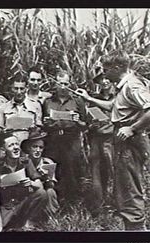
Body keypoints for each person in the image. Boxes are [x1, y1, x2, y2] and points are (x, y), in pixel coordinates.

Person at [75, 54, 150, 231]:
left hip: (129, 141)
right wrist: (89, 99)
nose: (104, 74)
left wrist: (132, 128)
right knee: (125, 186)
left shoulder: (132, 85)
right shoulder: (124, 87)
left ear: (117, 68)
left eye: (106, 69)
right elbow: (113, 107)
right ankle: (134, 229)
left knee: (129, 187)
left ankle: (137, 234)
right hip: (123, 140)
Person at [0, 133, 50, 231]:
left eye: (17, 144)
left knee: (41, 193)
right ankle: (10, 223)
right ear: (4, 150)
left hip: (22, 203)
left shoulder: (26, 162)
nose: (15, 148)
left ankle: (29, 224)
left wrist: (31, 183)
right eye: (11, 145)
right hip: (6, 207)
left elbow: (39, 185)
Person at [42, 71, 87, 204]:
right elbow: (43, 123)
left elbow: (85, 125)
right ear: (55, 84)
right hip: (53, 140)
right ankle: (55, 202)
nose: (62, 87)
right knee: (54, 170)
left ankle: (72, 203)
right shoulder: (48, 101)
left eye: (65, 84)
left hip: (71, 140)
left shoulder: (77, 101)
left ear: (70, 84)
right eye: (60, 83)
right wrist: (46, 123)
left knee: (71, 171)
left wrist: (77, 121)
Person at [85, 76, 115, 216]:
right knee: (96, 173)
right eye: (101, 79)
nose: (104, 81)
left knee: (115, 172)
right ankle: (99, 206)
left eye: (106, 78)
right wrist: (92, 124)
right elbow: (88, 122)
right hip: (96, 138)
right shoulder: (94, 99)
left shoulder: (119, 97)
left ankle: (117, 206)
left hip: (113, 139)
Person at [20, 130, 59, 218]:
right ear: (28, 148)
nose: (38, 150)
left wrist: (47, 178)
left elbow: (51, 185)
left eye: (40, 147)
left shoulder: (47, 162)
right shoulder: (23, 162)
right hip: (28, 190)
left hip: (43, 190)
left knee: (50, 192)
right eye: (35, 147)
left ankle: (50, 217)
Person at [0, 75, 43, 143]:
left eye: (22, 88)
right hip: (10, 144)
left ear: (26, 88)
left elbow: (39, 127)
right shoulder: (3, 107)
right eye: (16, 88)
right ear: (11, 89)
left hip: (28, 143)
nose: (19, 92)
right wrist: (4, 132)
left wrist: (33, 131)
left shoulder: (35, 106)